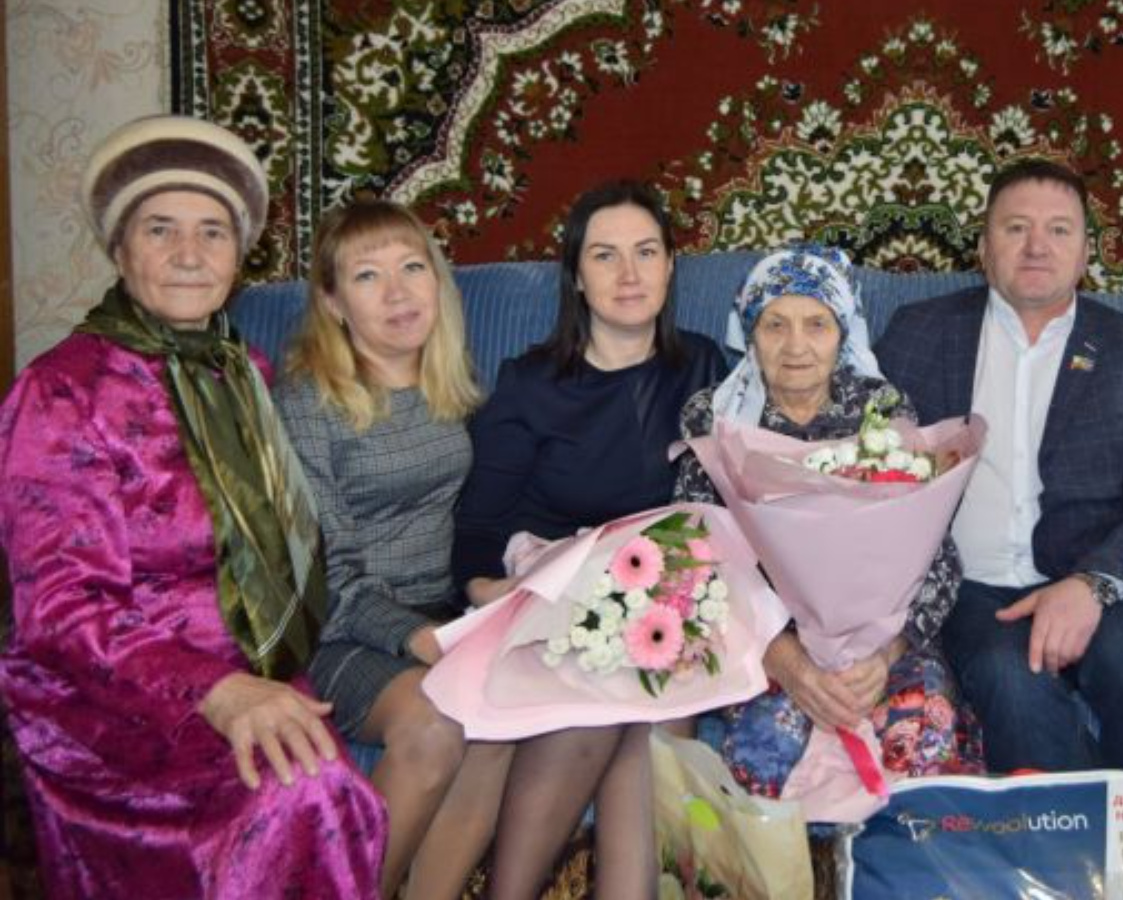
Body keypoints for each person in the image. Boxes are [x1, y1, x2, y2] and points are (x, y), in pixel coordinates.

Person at [0, 115, 385, 897]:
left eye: (212, 232)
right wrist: (216, 689)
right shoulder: (63, 392)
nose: (188, 254)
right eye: (160, 229)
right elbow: (62, 611)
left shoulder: (240, 370)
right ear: (120, 251)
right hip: (115, 703)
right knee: (306, 798)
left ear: (239, 257)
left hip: (252, 668)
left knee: (329, 790)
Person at [875, 159, 1123, 773]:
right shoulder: (919, 332)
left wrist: (1093, 583)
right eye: (1016, 227)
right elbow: (870, 466)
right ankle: (1064, 837)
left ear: (1085, 254)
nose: (1036, 246)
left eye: (1059, 230)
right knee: (1009, 677)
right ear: (984, 247)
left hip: (1093, 575)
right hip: (969, 586)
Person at [451, 180, 726, 896]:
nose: (629, 274)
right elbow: (477, 529)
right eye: (605, 256)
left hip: (667, 609)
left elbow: (745, 492)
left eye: (646, 252)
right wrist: (495, 592)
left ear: (671, 265)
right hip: (552, 597)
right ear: (576, 276)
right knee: (592, 717)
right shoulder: (531, 383)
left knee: (658, 718)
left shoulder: (707, 370)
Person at [275, 199, 555, 899]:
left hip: (440, 612)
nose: (397, 292)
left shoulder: (450, 384)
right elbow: (323, 573)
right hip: (339, 629)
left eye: (412, 268)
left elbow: (484, 515)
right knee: (434, 727)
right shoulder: (307, 400)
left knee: (501, 720)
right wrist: (420, 638)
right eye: (367, 276)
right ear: (332, 302)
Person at [674, 246, 985, 797]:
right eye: (775, 325)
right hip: (767, 647)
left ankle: (899, 854)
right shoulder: (716, 418)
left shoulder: (884, 413)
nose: (796, 345)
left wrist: (885, 654)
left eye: (816, 324)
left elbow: (937, 556)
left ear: (843, 331)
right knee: (766, 745)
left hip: (884, 644)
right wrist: (789, 663)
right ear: (750, 334)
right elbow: (699, 560)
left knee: (922, 728)